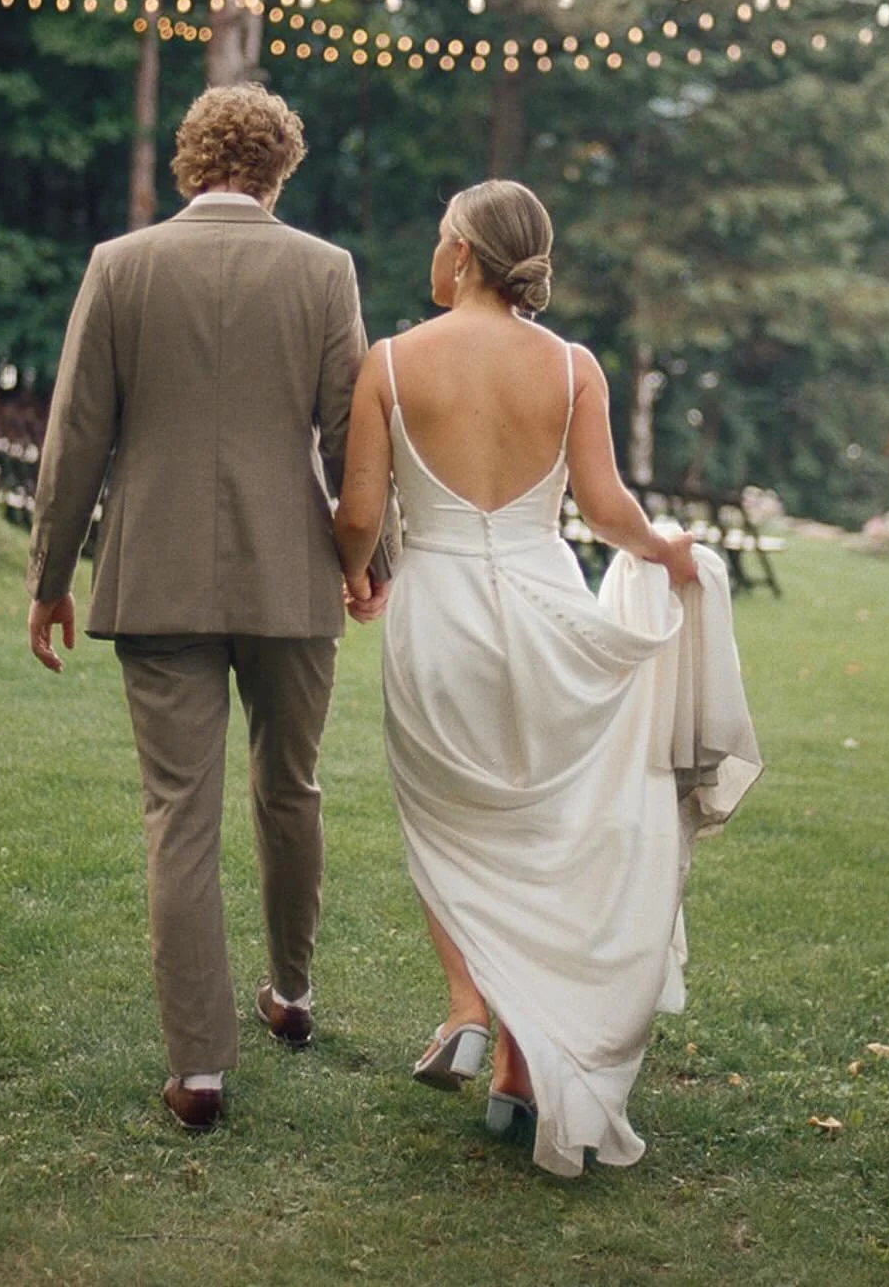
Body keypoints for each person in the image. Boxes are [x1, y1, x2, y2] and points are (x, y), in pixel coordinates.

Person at [333, 179, 760, 1177]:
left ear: (466, 257)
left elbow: (359, 515)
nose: (436, 255)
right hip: (545, 607)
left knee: (448, 825)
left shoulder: (390, 364)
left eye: (444, 239)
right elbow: (608, 510)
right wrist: (669, 550)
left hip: (437, 614)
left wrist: (358, 572)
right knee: (537, 831)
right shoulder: (571, 368)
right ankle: (521, 1074)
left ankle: (467, 1009)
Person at [26, 83, 396, 1134]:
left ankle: (198, 1070)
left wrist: (50, 577)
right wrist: (375, 562)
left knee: (178, 818)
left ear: (192, 161)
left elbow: (75, 440)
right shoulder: (326, 271)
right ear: (280, 167)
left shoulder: (121, 265)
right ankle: (292, 993)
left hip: (158, 576)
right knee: (293, 788)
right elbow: (351, 438)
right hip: (292, 573)